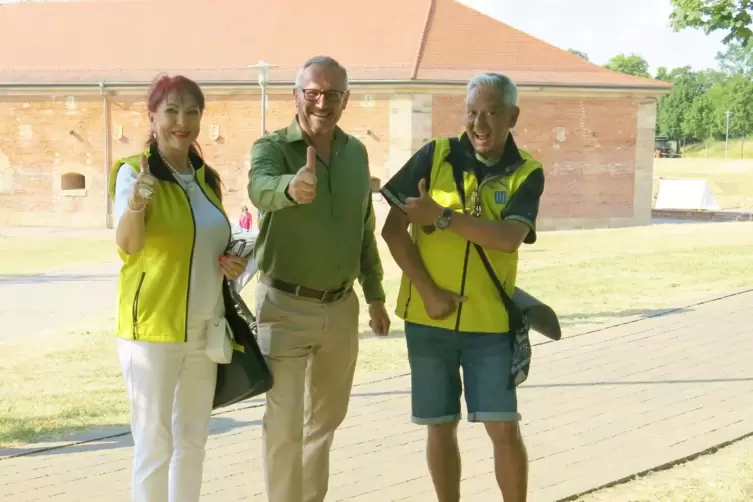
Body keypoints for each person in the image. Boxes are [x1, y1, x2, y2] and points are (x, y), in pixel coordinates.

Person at [380, 72, 545, 502]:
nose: (480, 124)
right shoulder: (434, 155)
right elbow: (393, 231)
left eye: (492, 112)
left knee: (503, 428)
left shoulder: (526, 171)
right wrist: (430, 293)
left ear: (513, 116)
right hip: (428, 318)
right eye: (472, 112)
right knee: (440, 425)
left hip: (490, 324)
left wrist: (443, 217)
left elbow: (509, 236)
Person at [248, 55, 391, 502]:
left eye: (332, 94)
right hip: (283, 306)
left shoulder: (356, 153)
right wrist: (290, 189)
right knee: (284, 423)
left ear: (345, 100)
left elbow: (363, 228)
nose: (321, 102)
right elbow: (259, 189)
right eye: (312, 92)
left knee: (325, 424)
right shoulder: (271, 148)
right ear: (296, 96)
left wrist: (375, 296)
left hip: (341, 308)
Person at [108, 73, 248, 502]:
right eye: (171, 110)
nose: (181, 120)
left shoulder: (207, 179)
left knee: (192, 445)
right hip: (152, 332)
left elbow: (211, 244)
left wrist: (233, 264)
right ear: (152, 116)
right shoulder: (134, 172)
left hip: (204, 332)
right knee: (154, 446)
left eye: (191, 111)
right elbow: (128, 246)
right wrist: (136, 204)